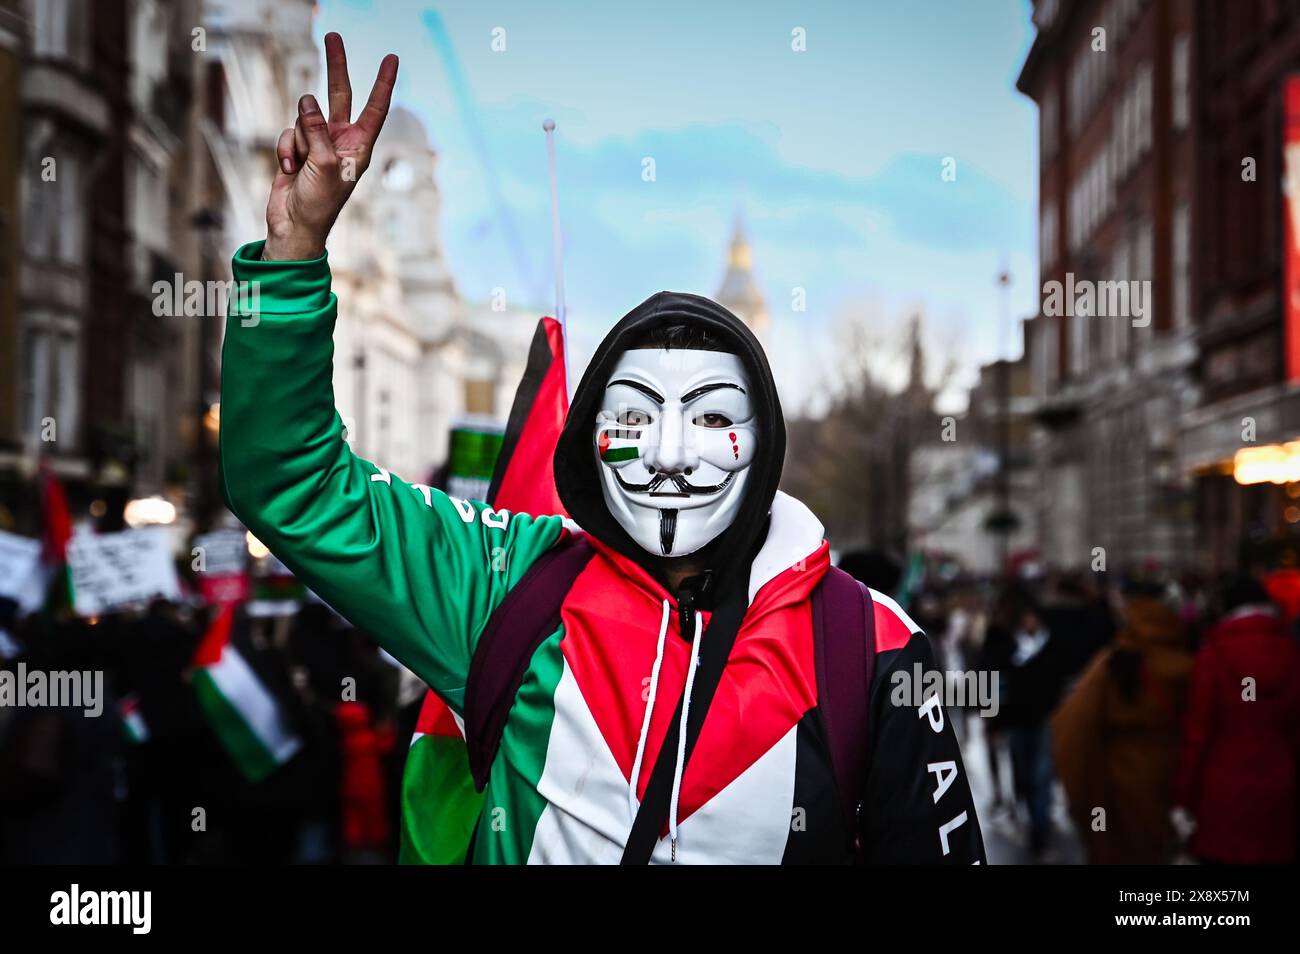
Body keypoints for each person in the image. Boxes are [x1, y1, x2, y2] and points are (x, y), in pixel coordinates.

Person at [218, 33, 983, 864]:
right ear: (589, 438)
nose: (668, 455)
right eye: (633, 417)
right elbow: (292, 483)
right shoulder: (501, 584)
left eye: (710, 417)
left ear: (763, 440)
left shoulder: (870, 644)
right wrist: (292, 258)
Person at [1052, 582, 1192, 864]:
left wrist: (1083, 798)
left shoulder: (1114, 664)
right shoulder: (1193, 662)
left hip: (1122, 784)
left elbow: (1071, 728)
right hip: (1178, 782)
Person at [1173, 577, 1300, 864]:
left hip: (1221, 788)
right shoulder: (1292, 653)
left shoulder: (1214, 655)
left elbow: (1197, 735)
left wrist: (1183, 799)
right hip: (1281, 786)